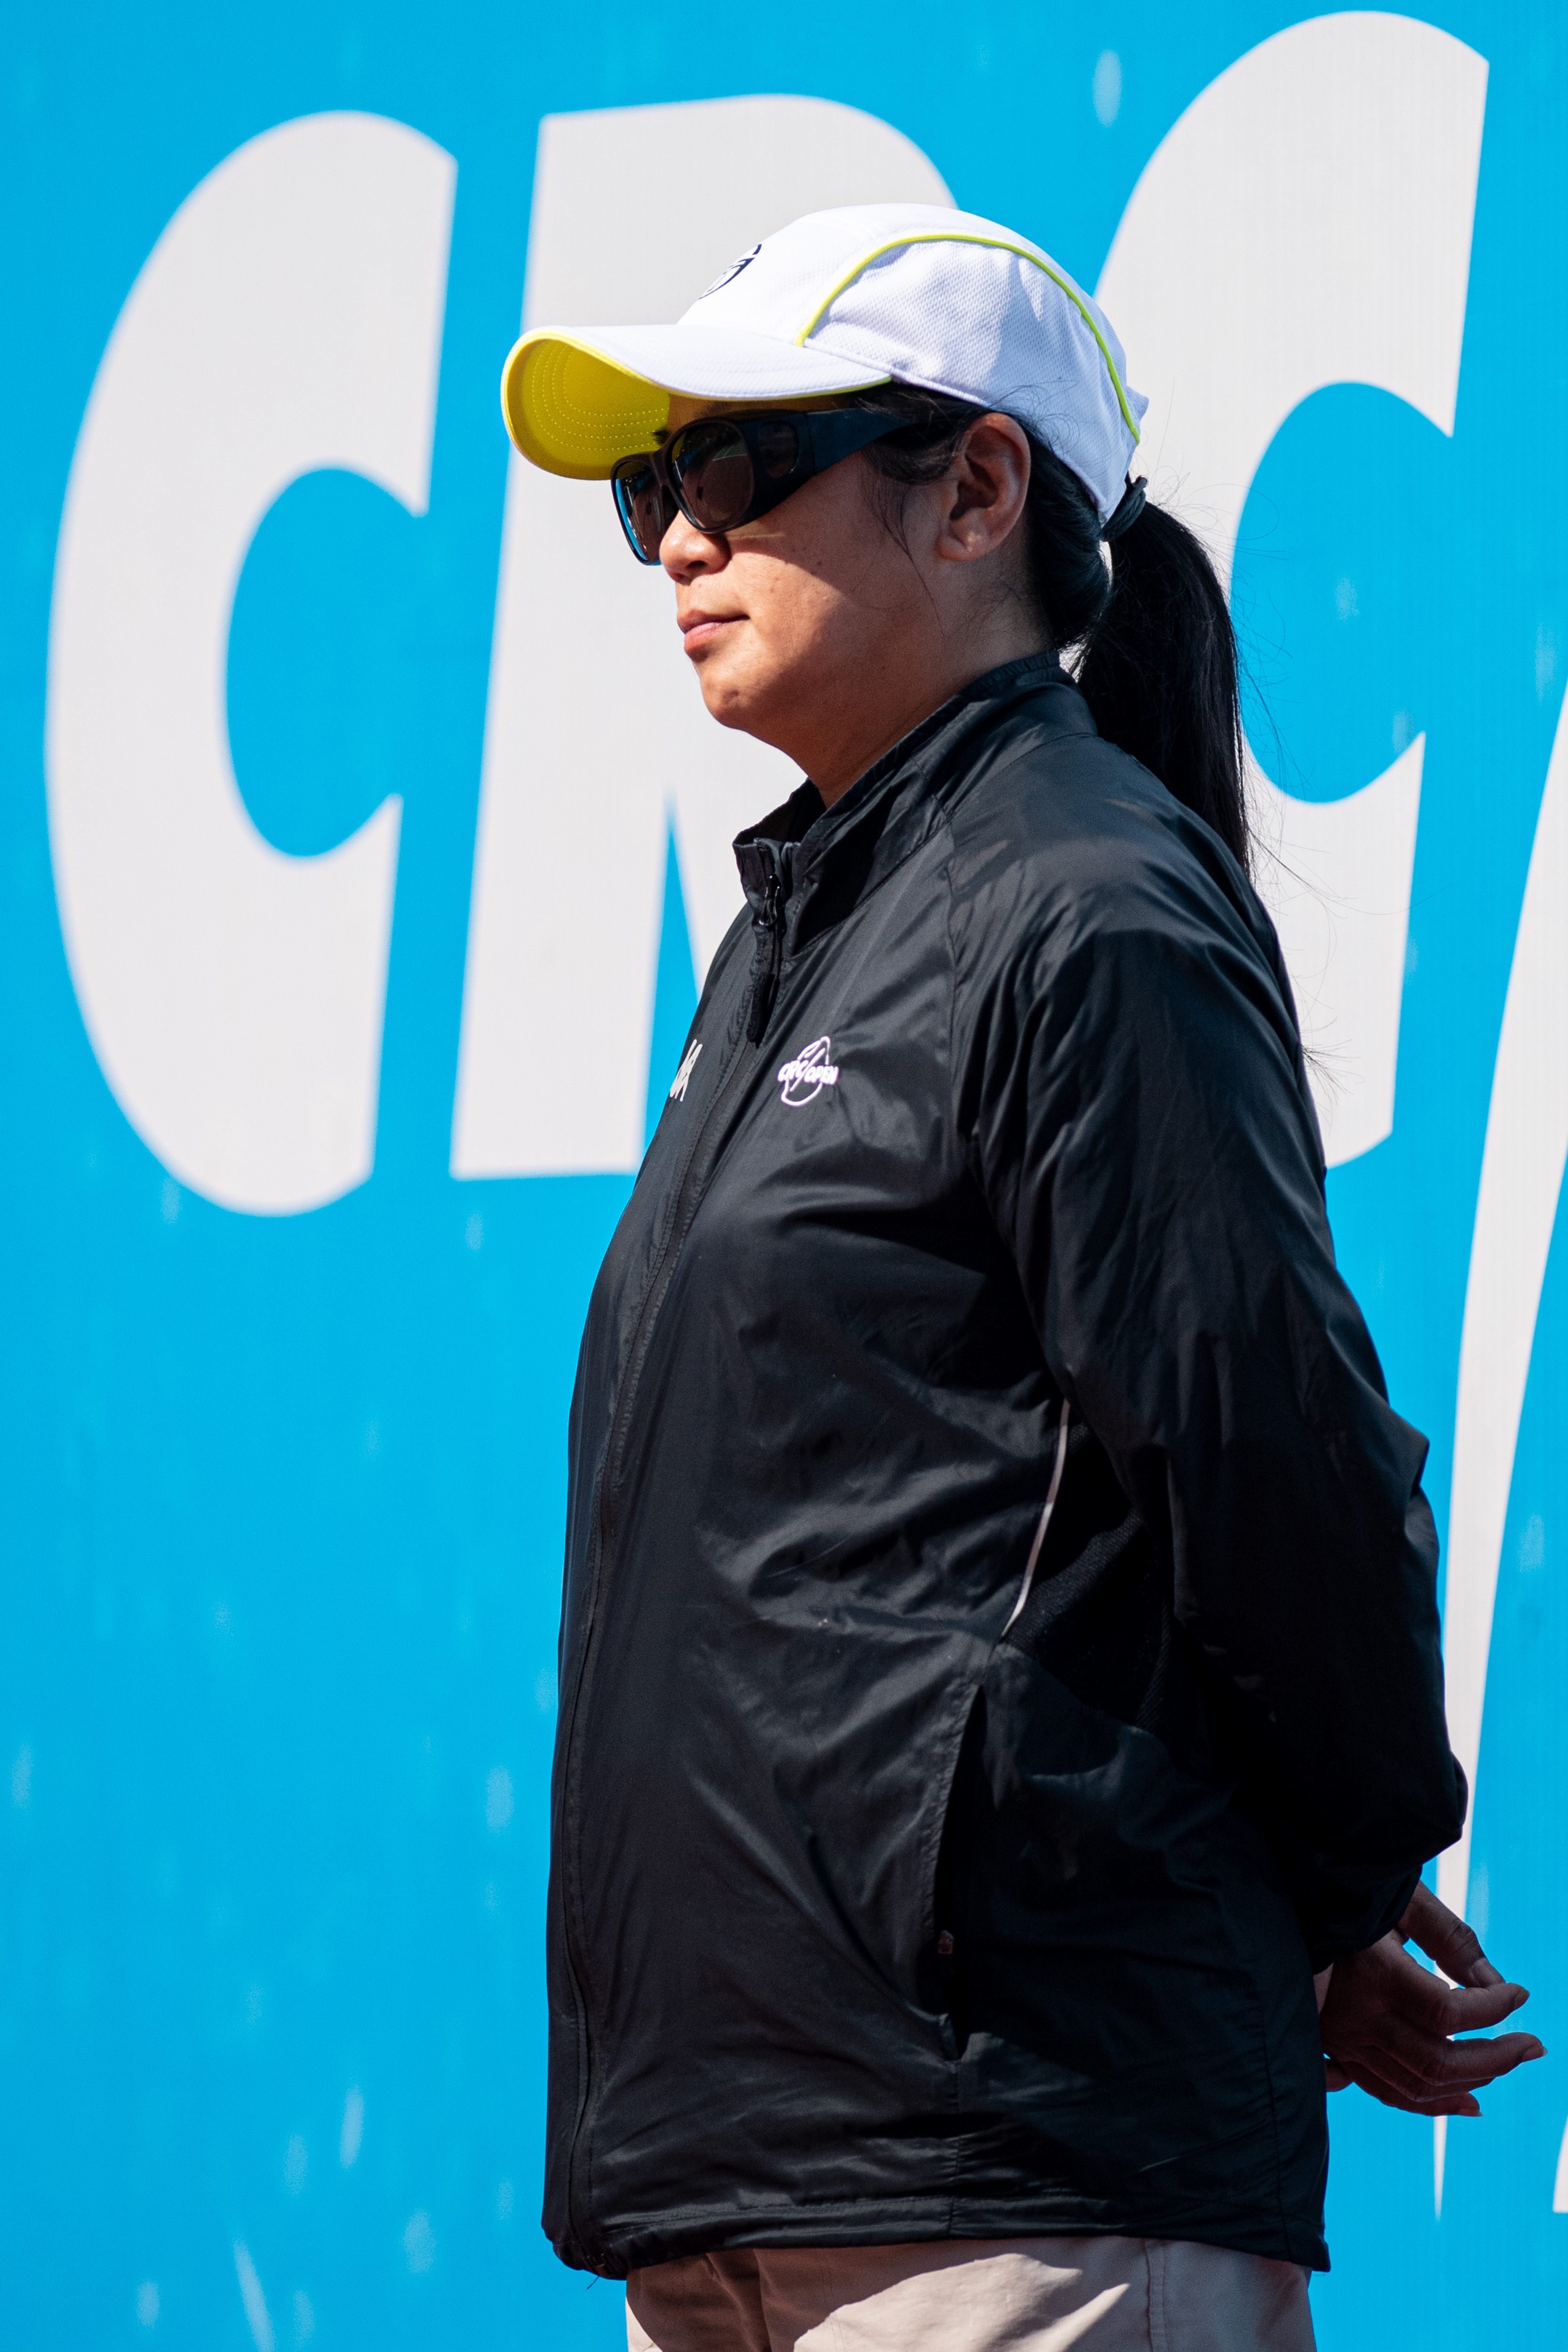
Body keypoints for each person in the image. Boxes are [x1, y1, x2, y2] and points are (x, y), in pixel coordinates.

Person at [501, 204, 1543, 2351]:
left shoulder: (1086, 905)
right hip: (752, 2181)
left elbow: (1273, 1461)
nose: (678, 535)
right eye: (650, 485)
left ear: (978, 490)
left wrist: (1343, 1883)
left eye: (738, 463)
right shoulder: (798, 944)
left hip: (1016, 2182)